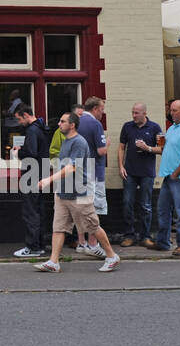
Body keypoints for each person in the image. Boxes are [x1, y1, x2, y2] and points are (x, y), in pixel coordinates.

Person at [34, 111, 120, 273]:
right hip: (63, 192)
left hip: (80, 193)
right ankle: (53, 262)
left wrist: (49, 180)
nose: (59, 124)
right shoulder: (66, 141)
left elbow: (72, 167)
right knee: (58, 227)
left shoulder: (79, 142)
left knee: (92, 225)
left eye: (62, 121)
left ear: (72, 125)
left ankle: (111, 256)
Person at [148, 99, 180, 257]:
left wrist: (176, 173)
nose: (172, 112)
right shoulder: (172, 129)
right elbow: (166, 150)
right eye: (171, 110)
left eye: (175, 110)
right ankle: (163, 242)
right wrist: (160, 146)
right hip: (169, 176)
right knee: (163, 210)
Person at [117, 102, 162, 247]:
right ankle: (129, 235)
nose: (134, 116)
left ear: (144, 113)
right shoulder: (127, 126)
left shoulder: (155, 127)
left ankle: (145, 236)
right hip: (130, 172)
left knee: (146, 205)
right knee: (127, 203)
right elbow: (121, 147)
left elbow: (162, 149)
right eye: (133, 112)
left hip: (147, 173)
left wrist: (147, 148)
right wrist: (121, 166)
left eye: (136, 113)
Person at [13, 104, 49, 257]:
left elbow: (32, 153)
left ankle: (32, 248)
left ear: (26, 115)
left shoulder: (32, 130)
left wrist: (18, 153)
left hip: (31, 175)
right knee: (39, 210)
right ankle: (40, 245)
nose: (19, 122)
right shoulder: (42, 128)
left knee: (30, 212)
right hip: (42, 173)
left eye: (20, 119)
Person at [74, 99, 108, 256]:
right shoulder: (95, 124)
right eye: (101, 109)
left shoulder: (76, 122)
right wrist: (107, 144)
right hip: (93, 173)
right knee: (94, 209)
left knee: (81, 209)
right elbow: (101, 151)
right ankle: (93, 245)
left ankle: (81, 243)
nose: (103, 112)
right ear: (95, 108)